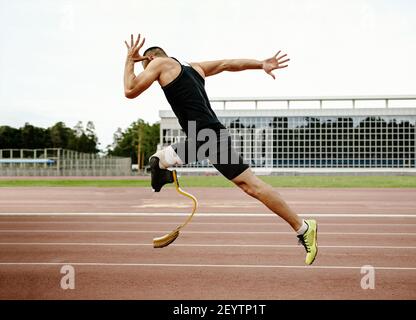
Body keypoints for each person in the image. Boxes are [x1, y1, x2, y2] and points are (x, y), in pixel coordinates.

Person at [123, 34, 318, 265]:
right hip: (208, 135)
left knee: (159, 160)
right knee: (251, 186)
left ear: (152, 57)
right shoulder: (194, 68)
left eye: (146, 68)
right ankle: (303, 227)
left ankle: (303, 227)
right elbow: (227, 64)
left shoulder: (159, 62)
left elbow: (130, 89)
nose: (150, 75)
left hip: (206, 136)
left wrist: (129, 60)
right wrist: (260, 64)